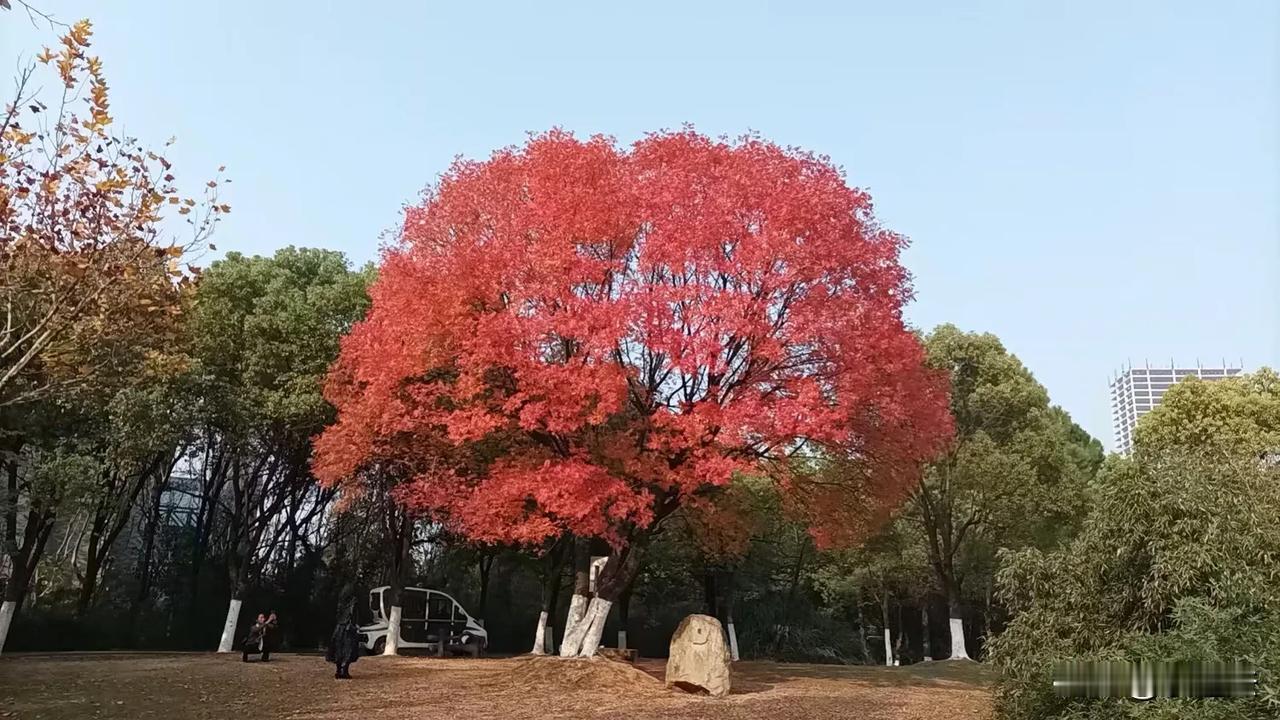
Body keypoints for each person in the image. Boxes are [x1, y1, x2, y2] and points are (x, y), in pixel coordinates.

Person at [326, 606, 361, 680]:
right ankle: (344, 671)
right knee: (348, 650)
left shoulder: (341, 602)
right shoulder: (353, 601)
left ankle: (339, 671)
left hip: (339, 628)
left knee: (339, 650)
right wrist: (356, 626)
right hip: (347, 629)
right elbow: (354, 615)